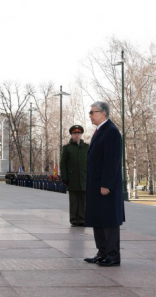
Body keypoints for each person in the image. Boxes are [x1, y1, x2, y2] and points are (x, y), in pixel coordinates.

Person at [84, 101, 125, 267]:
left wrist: (106, 184)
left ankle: (113, 255)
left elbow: (112, 161)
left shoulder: (111, 132)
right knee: (98, 219)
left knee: (108, 221)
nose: (90, 115)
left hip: (106, 186)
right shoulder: (100, 131)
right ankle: (102, 252)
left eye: (93, 112)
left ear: (103, 113)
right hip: (96, 185)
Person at [60, 125, 89, 227]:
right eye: (74, 134)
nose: (76, 136)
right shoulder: (67, 148)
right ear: (71, 135)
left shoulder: (86, 147)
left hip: (84, 179)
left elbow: (90, 163)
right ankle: (73, 220)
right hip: (72, 179)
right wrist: (64, 177)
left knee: (83, 201)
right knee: (73, 201)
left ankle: (81, 219)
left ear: (81, 135)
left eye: (78, 134)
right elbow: (63, 164)